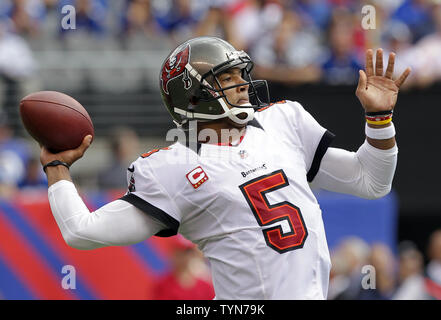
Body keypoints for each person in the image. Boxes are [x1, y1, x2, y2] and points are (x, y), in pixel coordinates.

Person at [39, 36, 411, 299]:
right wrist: (57, 166)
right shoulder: (174, 167)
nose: (243, 85)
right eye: (227, 78)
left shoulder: (283, 122)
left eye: (241, 75)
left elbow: (370, 182)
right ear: (193, 95)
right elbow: (81, 232)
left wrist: (379, 118)